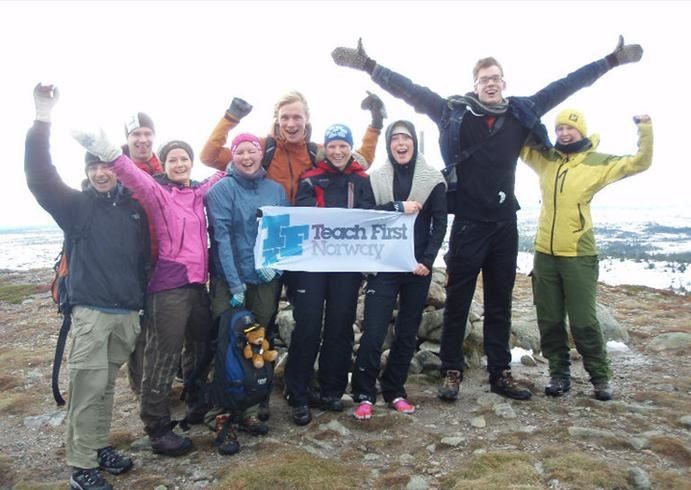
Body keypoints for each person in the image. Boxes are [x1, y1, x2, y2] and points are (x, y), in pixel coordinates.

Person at [331, 35, 644, 402]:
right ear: (475, 85)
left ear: (503, 82)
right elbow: (411, 91)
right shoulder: (454, 112)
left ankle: (500, 372)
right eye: (484, 79)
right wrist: (369, 65)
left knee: (499, 303)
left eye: (495, 78)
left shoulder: (521, 112)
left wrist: (611, 60)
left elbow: (566, 85)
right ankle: (452, 370)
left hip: (504, 225)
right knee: (457, 302)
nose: (490, 84)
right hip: (467, 223)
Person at [26, 84, 149, 490]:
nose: (100, 172)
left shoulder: (135, 209)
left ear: (118, 167)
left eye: (106, 165)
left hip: (126, 314)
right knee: (86, 390)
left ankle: (98, 446)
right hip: (92, 316)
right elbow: (40, 176)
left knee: (106, 387)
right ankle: (81, 467)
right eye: (92, 166)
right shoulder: (76, 207)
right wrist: (43, 115)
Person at [72, 130, 225, 457]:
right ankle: (157, 427)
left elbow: (226, 170)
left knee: (200, 347)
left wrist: (253, 151)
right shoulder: (157, 192)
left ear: (191, 163)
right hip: (168, 288)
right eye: (173, 160)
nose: (179, 164)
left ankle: (196, 402)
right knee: (162, 356)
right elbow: (128, 172)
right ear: (164, 165)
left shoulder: (198, 192)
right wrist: (105, 149)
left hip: (198, 285)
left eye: (184, 159)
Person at [521, 109, 653, 401]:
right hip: (544, 254)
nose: (564, 133)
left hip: (578, 254)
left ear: (581, 131)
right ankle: (559, 374)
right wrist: (519, 116)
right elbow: (519, 144)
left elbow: (640, 162)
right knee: (549, 319)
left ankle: (600, 377)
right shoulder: (547, 158)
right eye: (560, 129)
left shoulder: (596, 162)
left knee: (583, 321)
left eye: (570, 128)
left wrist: (644, 128)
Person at [351, 120, 447, 420]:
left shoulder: (433, 179)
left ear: (414, 144)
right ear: (389, 144)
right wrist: (397, 207)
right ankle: (364, 393)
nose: (401, 144)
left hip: (417, 268)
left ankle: (395, 390)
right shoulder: (376, 178)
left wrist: (427, 261)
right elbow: (365, 215)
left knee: (406, 333)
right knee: (374, 331)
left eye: (406, 138)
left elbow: (439, 223)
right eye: (395, 139)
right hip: (384, 265)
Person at [284, 124, 376, 426]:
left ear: (350, 148)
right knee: (307, 325)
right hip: (312, 266)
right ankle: (297, 393)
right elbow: (304, 216)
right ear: (325, 148)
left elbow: (368, 216)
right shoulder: (310, 178)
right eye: (332, 146)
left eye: (343, 146)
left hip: (346, 266)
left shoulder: (362, 180)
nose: (338, 151)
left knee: (340, 326)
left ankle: (332, 389)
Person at [204, 132, 289, 452]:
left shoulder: (275, 190)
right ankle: (221, 411)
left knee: (258, 341)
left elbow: (282, 233)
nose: (247, 157)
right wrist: (235, 282)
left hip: (264, 279)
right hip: (231, 280)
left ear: (260, 153)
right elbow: (222, 238)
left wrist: (276, 268)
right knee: (226, 341)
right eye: (240, 152)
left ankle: (250, 407)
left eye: (252, 151)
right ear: (233, 155)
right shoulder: (221, 190)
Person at [200, 91, 385, 203]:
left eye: (297, 117)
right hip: (269, 231)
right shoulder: (262, 149)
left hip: (305, 232)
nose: (291, 124)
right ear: (277, 120)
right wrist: (231, 118)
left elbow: (360, 161)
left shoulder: (316, 152)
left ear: (306, 119)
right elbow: (209, 157)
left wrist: (375, 124)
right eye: (285, 118)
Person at [121, 112, 161, 397]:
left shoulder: (163, 169)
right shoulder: (116, 172)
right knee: (137, 328)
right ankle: (140, 388)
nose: (142, 139)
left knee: (160, 325)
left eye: (147, 133)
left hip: (161, 261)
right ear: (127, 138)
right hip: (129, 264)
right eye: (136, 134)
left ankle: (157, 384)